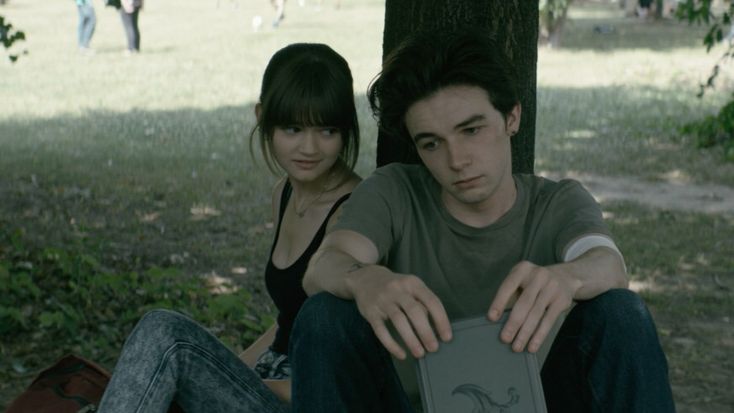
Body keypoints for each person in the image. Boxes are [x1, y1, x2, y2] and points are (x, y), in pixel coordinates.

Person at [289, 28, 676, 412]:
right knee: (325, 316)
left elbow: (608, 264)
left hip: (536, 400)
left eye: (471, 130)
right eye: (432, 143)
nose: (456, 160)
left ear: (512, 118)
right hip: (411, 404)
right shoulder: (395, 190)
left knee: (621, 313)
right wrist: (362, 278)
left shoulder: (559, 202)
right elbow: (322, 266)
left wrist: (568, 277)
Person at [97, 42, 361, 412]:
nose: (310, 147)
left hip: (306, 397)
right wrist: (226, 371)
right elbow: (287, 321)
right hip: (270, 380)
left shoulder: (351, 214)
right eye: (293, 128)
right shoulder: (283, 193)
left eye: (327, 130)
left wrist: (224, 382)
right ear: (262, 118)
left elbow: (345, 375)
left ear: (346, 129)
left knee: (166, 335)